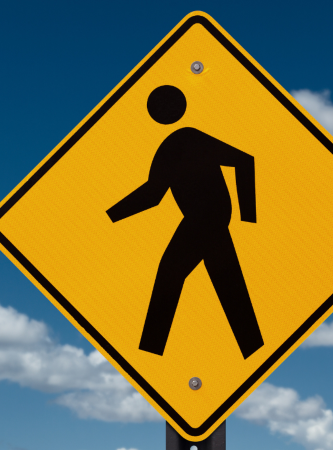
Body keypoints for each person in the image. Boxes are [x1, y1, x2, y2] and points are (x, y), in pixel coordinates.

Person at [106, 85, 264, 359]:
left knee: (172, 274)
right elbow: (153, 194)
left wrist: (248, 217)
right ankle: (252, 348)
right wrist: (110, 216)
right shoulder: (171, 147)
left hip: (207, 220)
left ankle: (151, 351)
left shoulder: (187, 139)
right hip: (202, 221)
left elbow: (243, 161)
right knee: (226, 284)